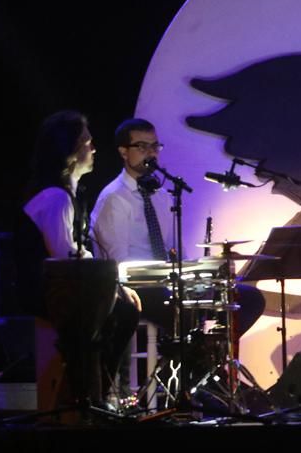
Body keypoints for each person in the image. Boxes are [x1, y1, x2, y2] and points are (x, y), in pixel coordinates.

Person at [90, 118, 266, 340]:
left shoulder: (162, 196)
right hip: (136, 289)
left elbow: (176, 250)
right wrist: (162, 275)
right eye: (142, 147)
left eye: (155, 146)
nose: (151, 153)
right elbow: (118, 265)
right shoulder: (114, 199)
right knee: (181, 308)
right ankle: (198, 354)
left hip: (169, 282)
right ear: (124, 152)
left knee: (247, 297)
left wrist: (200, 273)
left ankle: (208, 355)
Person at [17, 110, 139, 408]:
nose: (94, 148)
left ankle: (104, 391)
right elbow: (64, 256)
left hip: (63, 286)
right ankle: (102, 394)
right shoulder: (55, 197)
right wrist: (113, 286)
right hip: (48, 290)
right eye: (86, 141)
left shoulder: (67, 194)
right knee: (122, 310)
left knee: (123, 305)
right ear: (69, 151)